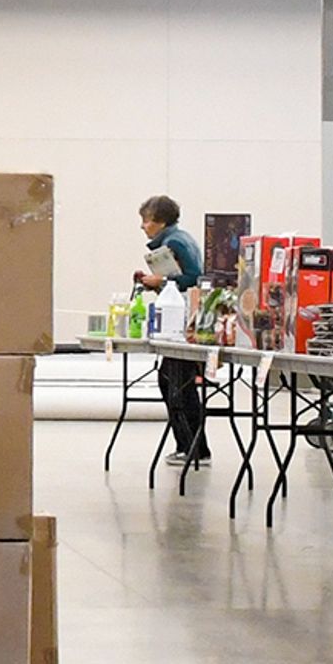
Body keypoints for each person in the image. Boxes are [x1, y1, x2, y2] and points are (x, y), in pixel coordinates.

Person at [135, 195, 212, 466]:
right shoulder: (178, 239)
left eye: (146, 220)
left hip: (183, 326)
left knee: (176, 383)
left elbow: (193, 277)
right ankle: (191, 446)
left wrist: (163, 280)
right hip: (183, 321)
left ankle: (193, 448)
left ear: (160, 220)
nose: (143, 226)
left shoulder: (175, 242)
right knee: (174, 381)